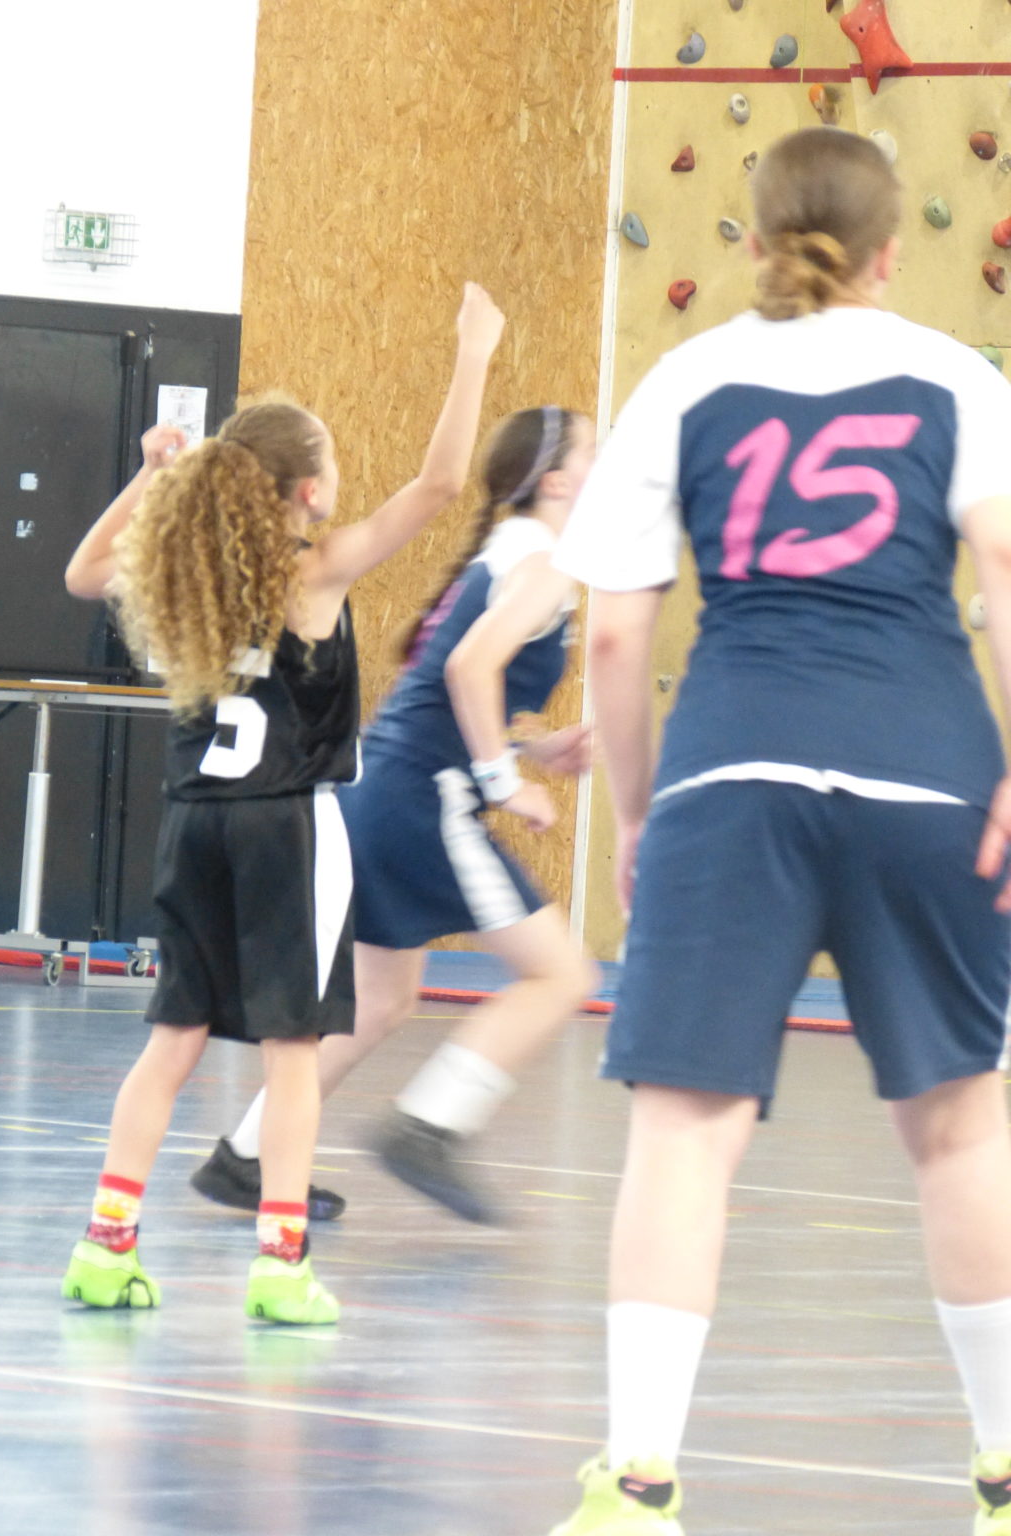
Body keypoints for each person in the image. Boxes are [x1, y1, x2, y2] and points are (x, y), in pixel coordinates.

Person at [546, 127, 1011, 1533]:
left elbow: (615, 638)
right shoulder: (959, 377)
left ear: (749, 243)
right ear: (891, 253)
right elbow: (1006, 571)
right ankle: (1005, 1475)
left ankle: (639, 1487)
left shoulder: (683, 382)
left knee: (685, 1137)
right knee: (962, 1132)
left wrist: (642, 810)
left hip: (731, 771)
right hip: (927, 770)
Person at [59, 281, 506, 1324]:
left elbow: (83, 573)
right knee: (294, 1053)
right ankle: (281, 1265)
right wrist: (474, 354)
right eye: (333, 465)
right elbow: (443, 483)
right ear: (308, 492)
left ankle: (104, 1246)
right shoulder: (316, 575)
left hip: (192, 826)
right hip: (286, 825)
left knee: (171, 1044)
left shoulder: (185, 577)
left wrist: (148, 476)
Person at [192, 404, 599, 1225]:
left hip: (381, 790)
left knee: (381, 1000)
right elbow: (468, 671)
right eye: (598, 450)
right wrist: (503, 779)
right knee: (563, 975)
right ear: (557, 481)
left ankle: (246, 1156)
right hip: (419, 801)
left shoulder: (507, 552)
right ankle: (428, 1128)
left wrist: (533, 745)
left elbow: (440, 696)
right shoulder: (545, 563)